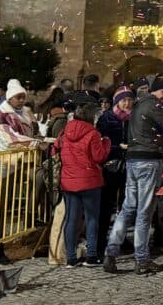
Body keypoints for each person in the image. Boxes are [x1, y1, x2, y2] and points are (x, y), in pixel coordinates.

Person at [103, 75, 163, 275]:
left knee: (128, 208)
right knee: (144, 212)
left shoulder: (139, 105)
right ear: (155, 91)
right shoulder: (153, 105)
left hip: (133, 160)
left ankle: (110, 255)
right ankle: (142, 259)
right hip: (148, 161)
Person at [0, 79, 40, 265]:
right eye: (18, 97)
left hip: (23, 161)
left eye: (23, 97)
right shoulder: (1, 115)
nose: (21, 100)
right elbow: (8, 138)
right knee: (0, 204)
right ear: (10, 98)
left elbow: (34, 130)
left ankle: (31, 229)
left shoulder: (26, 113)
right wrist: (33, 143)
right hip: (5, 162)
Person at [58, 102, 111, 267]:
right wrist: (106, 142)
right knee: (92, 218)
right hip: (89, 180)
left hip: (69, 180)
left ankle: (71, 258)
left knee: (71, 219)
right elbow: (99, 156)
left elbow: (57, 147)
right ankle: (92, 256)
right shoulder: (93, 133)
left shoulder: (65, 131)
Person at [96, 88, 133, 254]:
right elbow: (100, 141)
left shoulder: (133, 118)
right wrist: (118, 148)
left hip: (128, 166)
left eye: (130, 100)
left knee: (125, 205)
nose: (127, 103)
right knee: (106, 205)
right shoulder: (107, 118)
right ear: (117, 101)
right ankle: (100, 241)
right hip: (111, 166)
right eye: (123, 100)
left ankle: (120, 238)